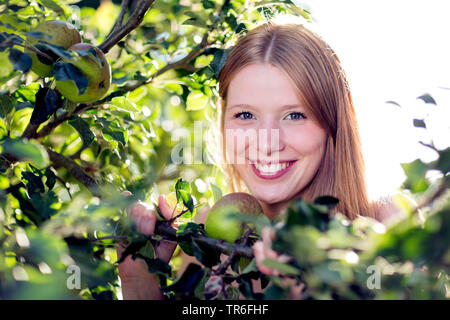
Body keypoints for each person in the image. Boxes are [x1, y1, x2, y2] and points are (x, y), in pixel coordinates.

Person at [117, 21, 402, 300]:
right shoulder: (210, 240)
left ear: (333, 125)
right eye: (245, 115)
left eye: (294, 115)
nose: (267, 143)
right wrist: (139, 282)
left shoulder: (388, 226)